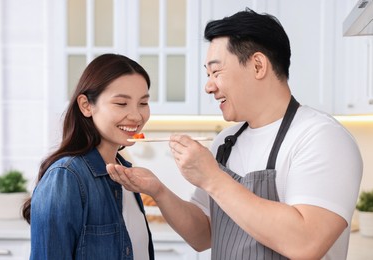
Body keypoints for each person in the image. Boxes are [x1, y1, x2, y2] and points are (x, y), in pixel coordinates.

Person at [106, 8, 363, 260]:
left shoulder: (321, 137)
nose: (208, 86)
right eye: (208, 74)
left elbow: (306, 243)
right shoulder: (226, 142)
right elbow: (203, 234)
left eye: (216, 72)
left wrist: (212, 178)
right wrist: (159, 191)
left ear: (258, 65)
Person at [22, 54, 155, 260]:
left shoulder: (127, 175)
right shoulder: (65, 177)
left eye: (143, 103)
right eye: (121, 103)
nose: (136, 116)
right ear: (86, 105)